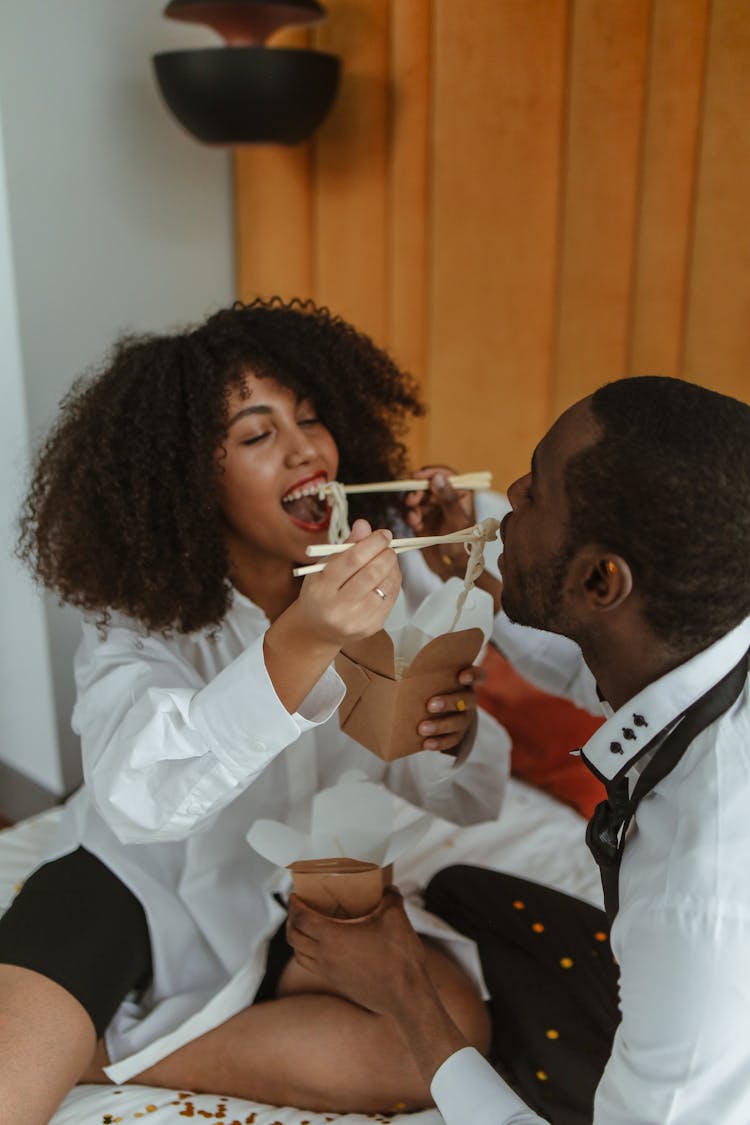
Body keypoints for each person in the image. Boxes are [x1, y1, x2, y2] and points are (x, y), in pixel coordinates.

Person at [0, 297, 508, 1124]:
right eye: (256, 434)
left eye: (311, 418)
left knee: (453, 1031)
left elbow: (472, 798)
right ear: (190, 479)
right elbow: (137, 796)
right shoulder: (135, 617)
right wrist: (299, 643)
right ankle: (97, 1027)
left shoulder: (395, 580)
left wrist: (457, 733)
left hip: (283, 887)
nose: (306, 447)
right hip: (126, 883)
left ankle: (110, 1053)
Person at [287, 375, 750, 1125]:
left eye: (535, 491)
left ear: (601, 579)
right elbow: (590, 662)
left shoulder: (700, 899)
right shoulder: (702, 635)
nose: (508, 490)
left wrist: (405, 989)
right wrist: (492, 580)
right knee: (474, 895)